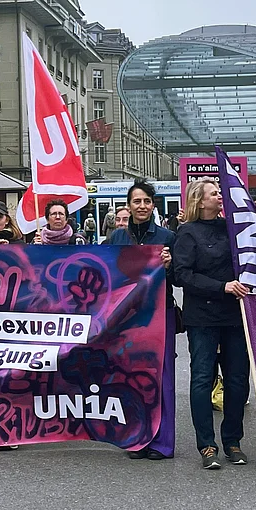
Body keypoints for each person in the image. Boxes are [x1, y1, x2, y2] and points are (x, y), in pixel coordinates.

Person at [172, 179, 252, 470]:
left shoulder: (234, 229)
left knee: (237, 380)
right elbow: (182, 274)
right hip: (203, 317)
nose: (220, 197)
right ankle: (207, 444)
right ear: (200, 200)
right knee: (203, 379)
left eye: (220, 192)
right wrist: (221, 286)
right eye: (215, 193)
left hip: (234, 315)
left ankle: (233, 440)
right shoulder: (187, 233)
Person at [106, 179, 177, 461]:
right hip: (126, 318)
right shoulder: (116, 239)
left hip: (160, 314)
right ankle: (135, 438)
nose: (142, 206)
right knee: (129, 377)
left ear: (153, 205)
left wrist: (170, 267)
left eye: (147, 201)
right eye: (137, 201)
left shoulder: (167, 237)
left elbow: (179, 279)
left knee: (162, 377)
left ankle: (162, 442)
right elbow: (108, 278)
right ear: (129, 205)